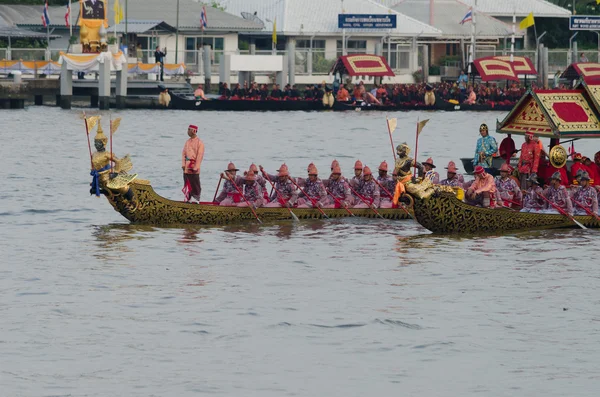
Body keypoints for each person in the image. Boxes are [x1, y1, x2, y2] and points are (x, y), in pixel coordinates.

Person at [181, 125, 205, 203]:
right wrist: (183, 164)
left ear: (194, 131)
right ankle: (188, 198)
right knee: (187, 182)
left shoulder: (200, 143)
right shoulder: (187, 142)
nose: (187, 131)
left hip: (194, 165)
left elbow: (200, 155)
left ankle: (196, 198)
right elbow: (183, 154)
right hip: (187, 166)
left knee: (195, 182)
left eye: (189, 130)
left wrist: (196, 167)